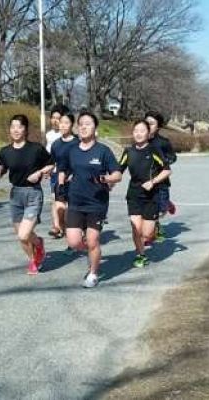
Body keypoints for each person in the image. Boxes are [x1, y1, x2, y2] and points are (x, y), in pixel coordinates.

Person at [57, 110, 122, 288]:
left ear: (95, 128)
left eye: (88, 124)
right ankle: (94, 253)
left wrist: (108, 179)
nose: (84, 127)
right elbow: (63, 170)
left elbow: (117, 174)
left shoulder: (103, 151)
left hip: (96, 203)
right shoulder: (71, 150)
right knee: (74, 241)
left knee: (93, 241)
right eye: (81, 124)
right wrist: (61, 189)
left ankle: (93, 273)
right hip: (75, 202)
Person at [0, 115, 54, 275]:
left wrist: (39, 172)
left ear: (25, 129)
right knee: (22, 236)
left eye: (19, 126)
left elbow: (51, 164)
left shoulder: (36, 149)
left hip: (33, 193)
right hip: (15, 195)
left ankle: (38, 244)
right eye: (13, 127)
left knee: (23, 234)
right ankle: (34, 259)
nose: (16, 130)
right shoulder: (5, 151)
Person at [119, 120, 172, 267]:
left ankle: (155, 228)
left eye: (142, 131)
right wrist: (108, 181)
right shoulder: (128, 151)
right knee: (136, 228)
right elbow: (118, 170)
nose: (138, 133)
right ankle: (140, 255)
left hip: (151, 196)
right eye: (136, 130)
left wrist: (153, 182)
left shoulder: (154, 150)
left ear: (148, 134)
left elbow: (167, 170)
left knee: (147, 234)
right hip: (134, 195)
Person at [145, 110, 177, 242]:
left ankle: (167, 205)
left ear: (158, 127)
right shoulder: (140, 139)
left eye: (151, 123)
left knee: (161, 210)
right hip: (145, 181)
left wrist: (164, 162)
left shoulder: (163, 142)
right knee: (148, 209)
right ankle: (151, 231)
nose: (148, 126)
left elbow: (173, 157)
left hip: (161, 181)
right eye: (146, 123)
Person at [50, 113, 79, 240]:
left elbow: (81, 161)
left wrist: (74, 174)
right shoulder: (56, 144)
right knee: (60, 209)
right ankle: (62, 229)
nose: (63, 125)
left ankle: (71, 239)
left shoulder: (78, 142)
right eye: (61, 122)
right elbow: (52, 162)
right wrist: (46, 171)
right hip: (60, 180)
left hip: (75, 180)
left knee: (71, 211)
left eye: (66, 123)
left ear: (72, 124)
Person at [45, 104, 70, 238]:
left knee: (65, 202)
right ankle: (56, 226)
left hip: (66, 173)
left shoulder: (66, 136)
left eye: (58, 118)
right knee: (54, 200)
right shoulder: (49, 135)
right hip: (54, 173)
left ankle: (66, 225)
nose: (55, 121)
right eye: (53, 118)